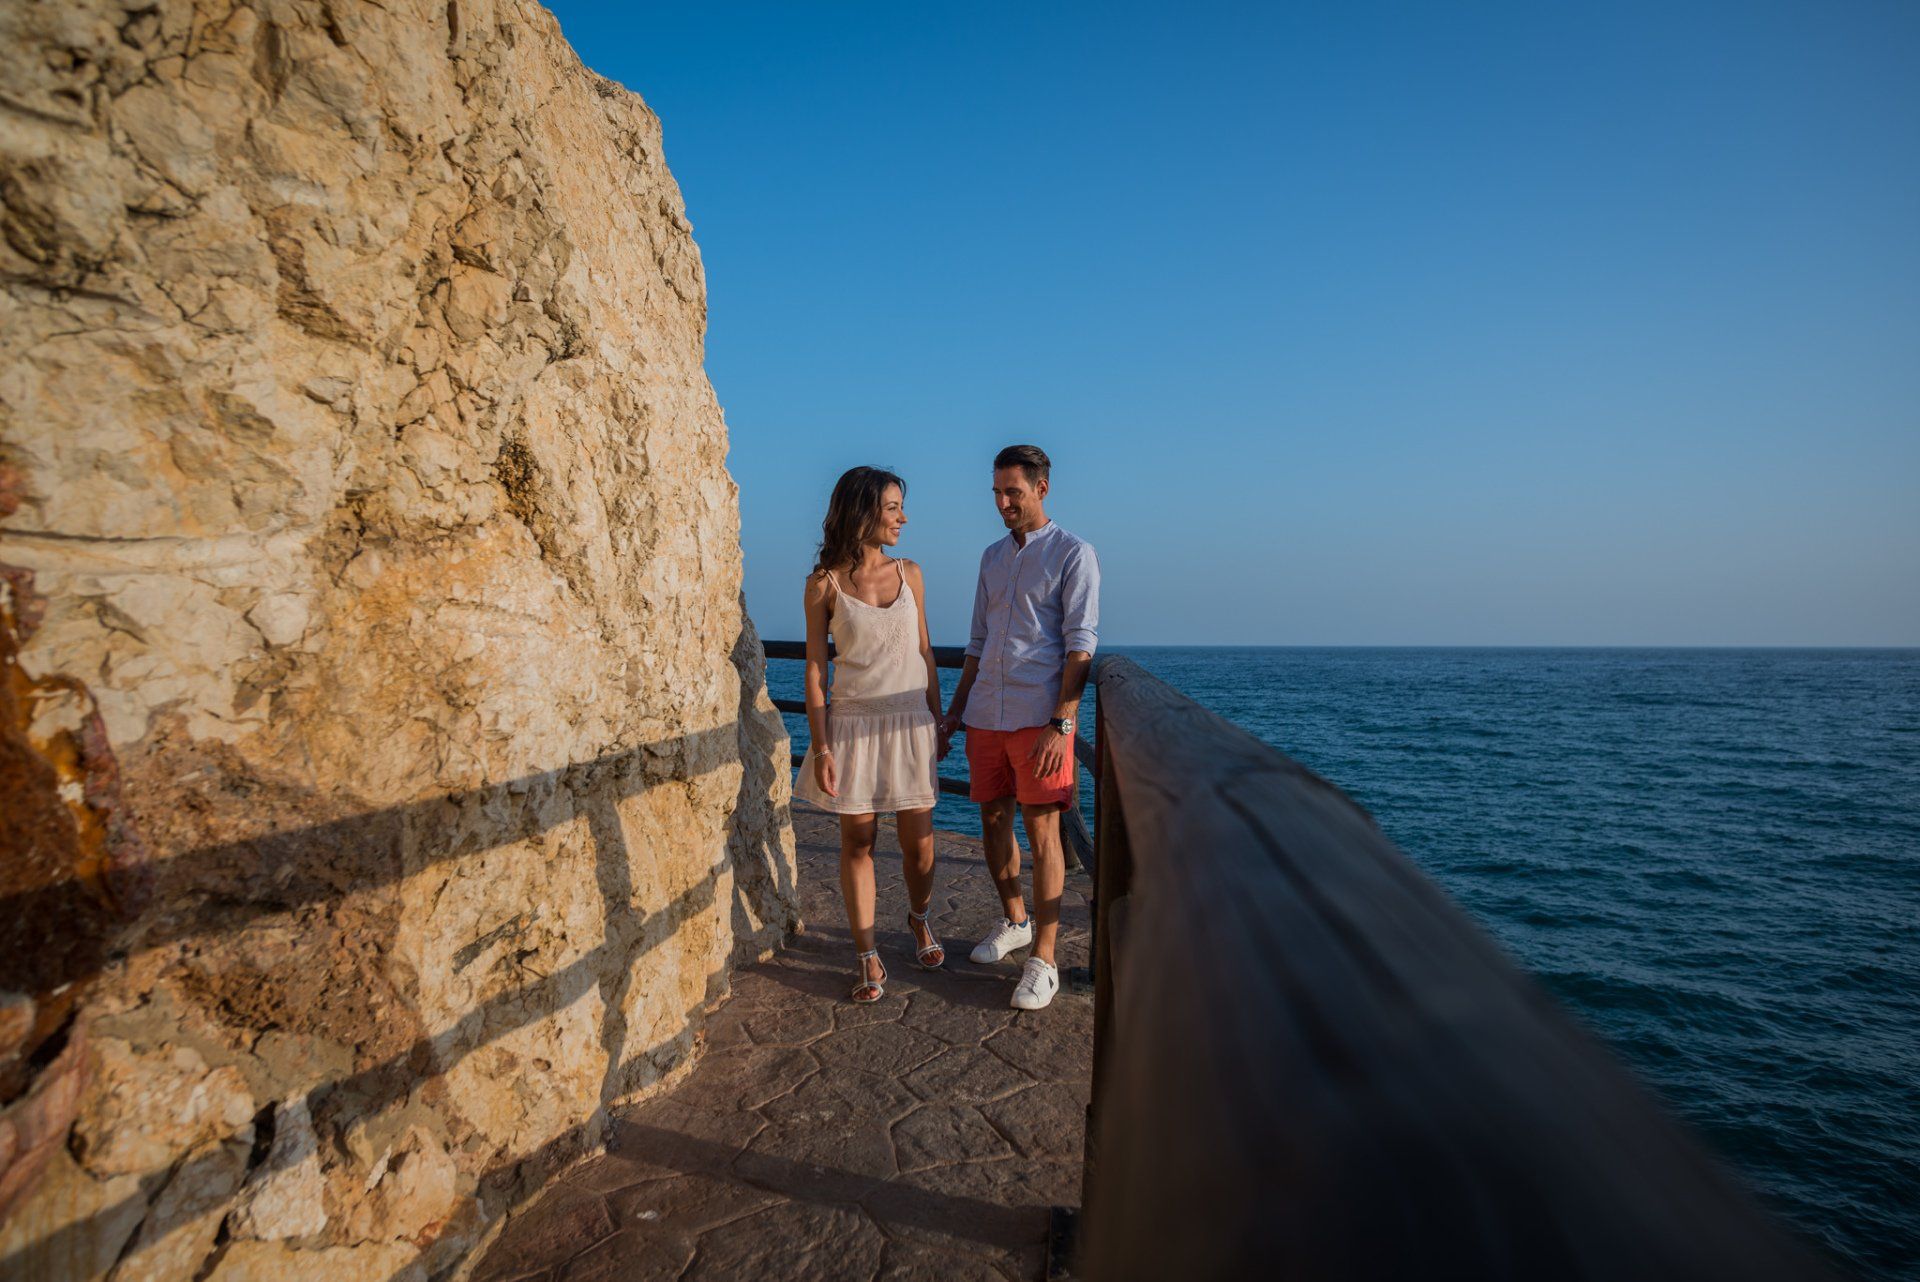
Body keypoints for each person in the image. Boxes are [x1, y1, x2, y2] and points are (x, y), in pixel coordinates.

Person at [940, 445, 1099, 1011]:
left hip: (1039, 718)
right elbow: (977, 643)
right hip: (986, 713)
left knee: (1043, 833)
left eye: (1013, 492)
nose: (1003, 503)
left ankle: (1045, 960)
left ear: (1042, 488)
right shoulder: (991, 558)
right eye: (997, 493)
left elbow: (1081, 645)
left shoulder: (1074, 554)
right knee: (991, 818)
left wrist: (1063, 722)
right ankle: (1015, 921)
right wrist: (955, 712)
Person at [793, 466, 948, 1003]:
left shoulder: (911, 573)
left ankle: (919, 917)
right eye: (892, 508)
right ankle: (866, 955)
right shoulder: (824, 583)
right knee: (858, 842)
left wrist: (938, 720)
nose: (903, 518)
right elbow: (816, 670)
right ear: (862, 512)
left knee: (919, 847)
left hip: (910, 722)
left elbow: (925, 651)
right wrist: (822, 747)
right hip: (853, 726)